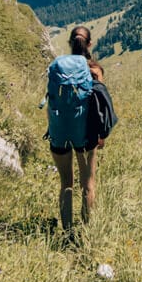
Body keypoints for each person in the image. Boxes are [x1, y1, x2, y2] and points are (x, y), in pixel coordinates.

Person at [47, 25, 100, 231]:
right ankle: (85, 232)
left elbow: (51, 102)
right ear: (90, 44)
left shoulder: (58, 68)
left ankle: (67, 232)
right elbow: (100, 106)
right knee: (88, 184)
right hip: (85, 133)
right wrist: (101, 135)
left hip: (59, 131)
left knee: (65, 184)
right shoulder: (94, 70)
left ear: (69, 43)